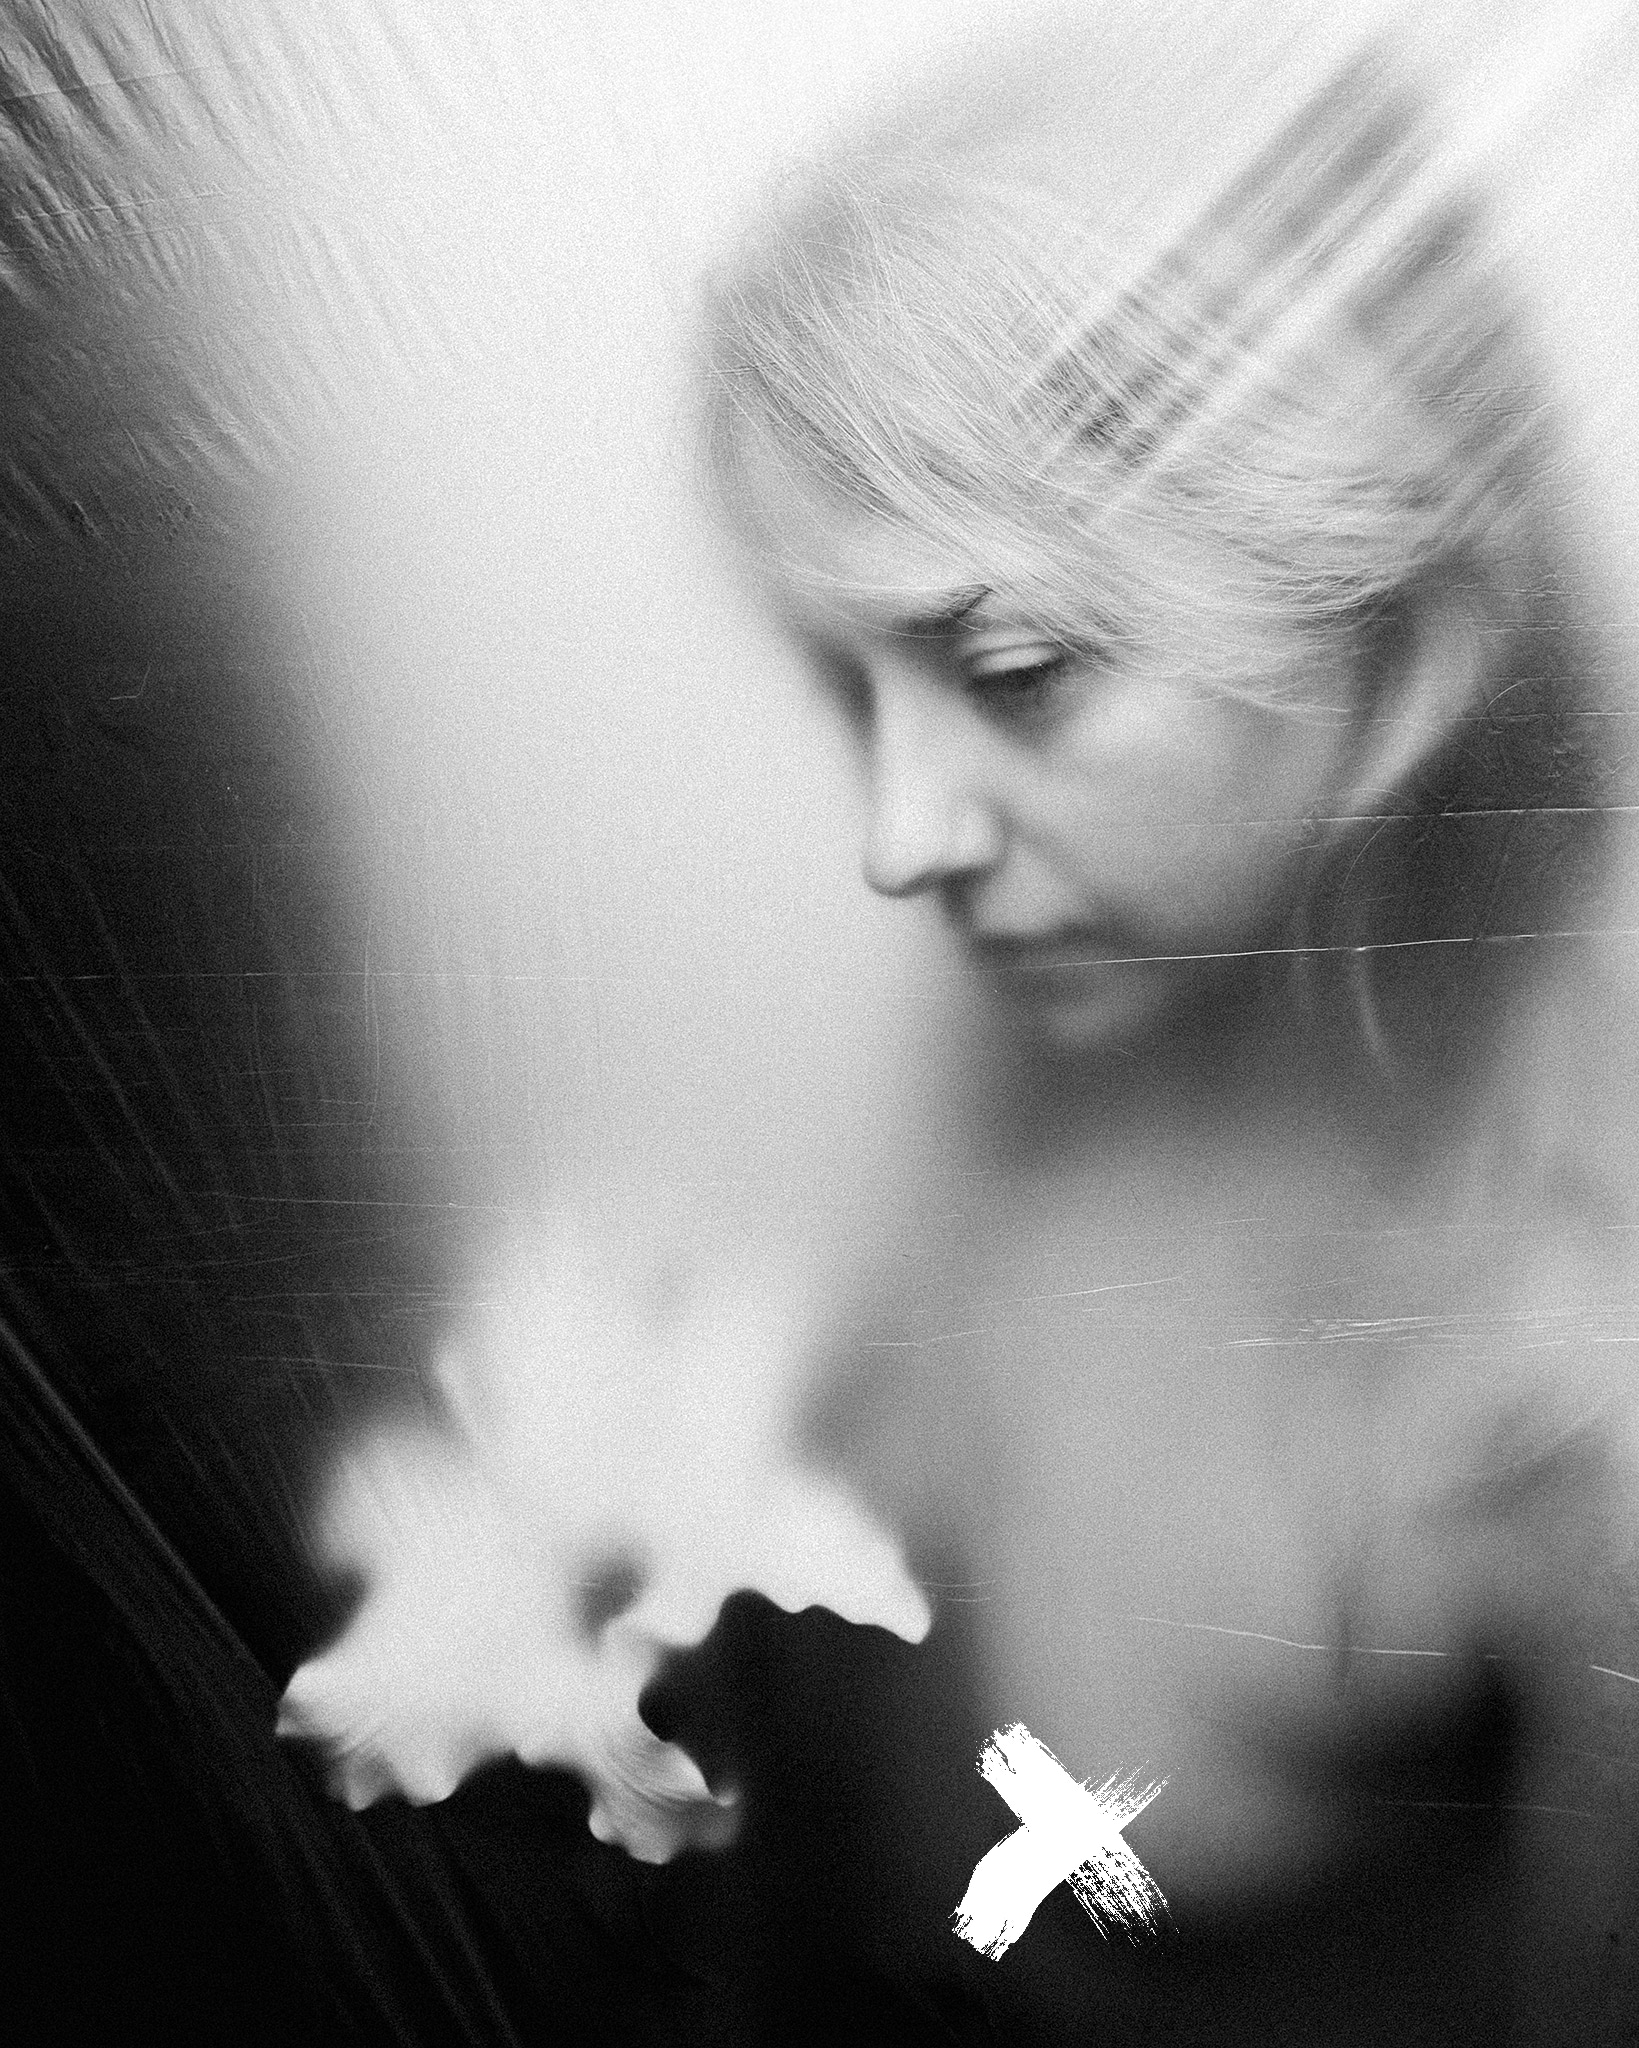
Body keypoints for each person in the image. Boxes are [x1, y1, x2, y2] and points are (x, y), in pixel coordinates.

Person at [683, 8, 1639, 2040]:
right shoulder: (1073, 1016)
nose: (896, 839)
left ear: (1400, 634)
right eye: (847, 688)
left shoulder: (1559, 1340)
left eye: (1016, 669)